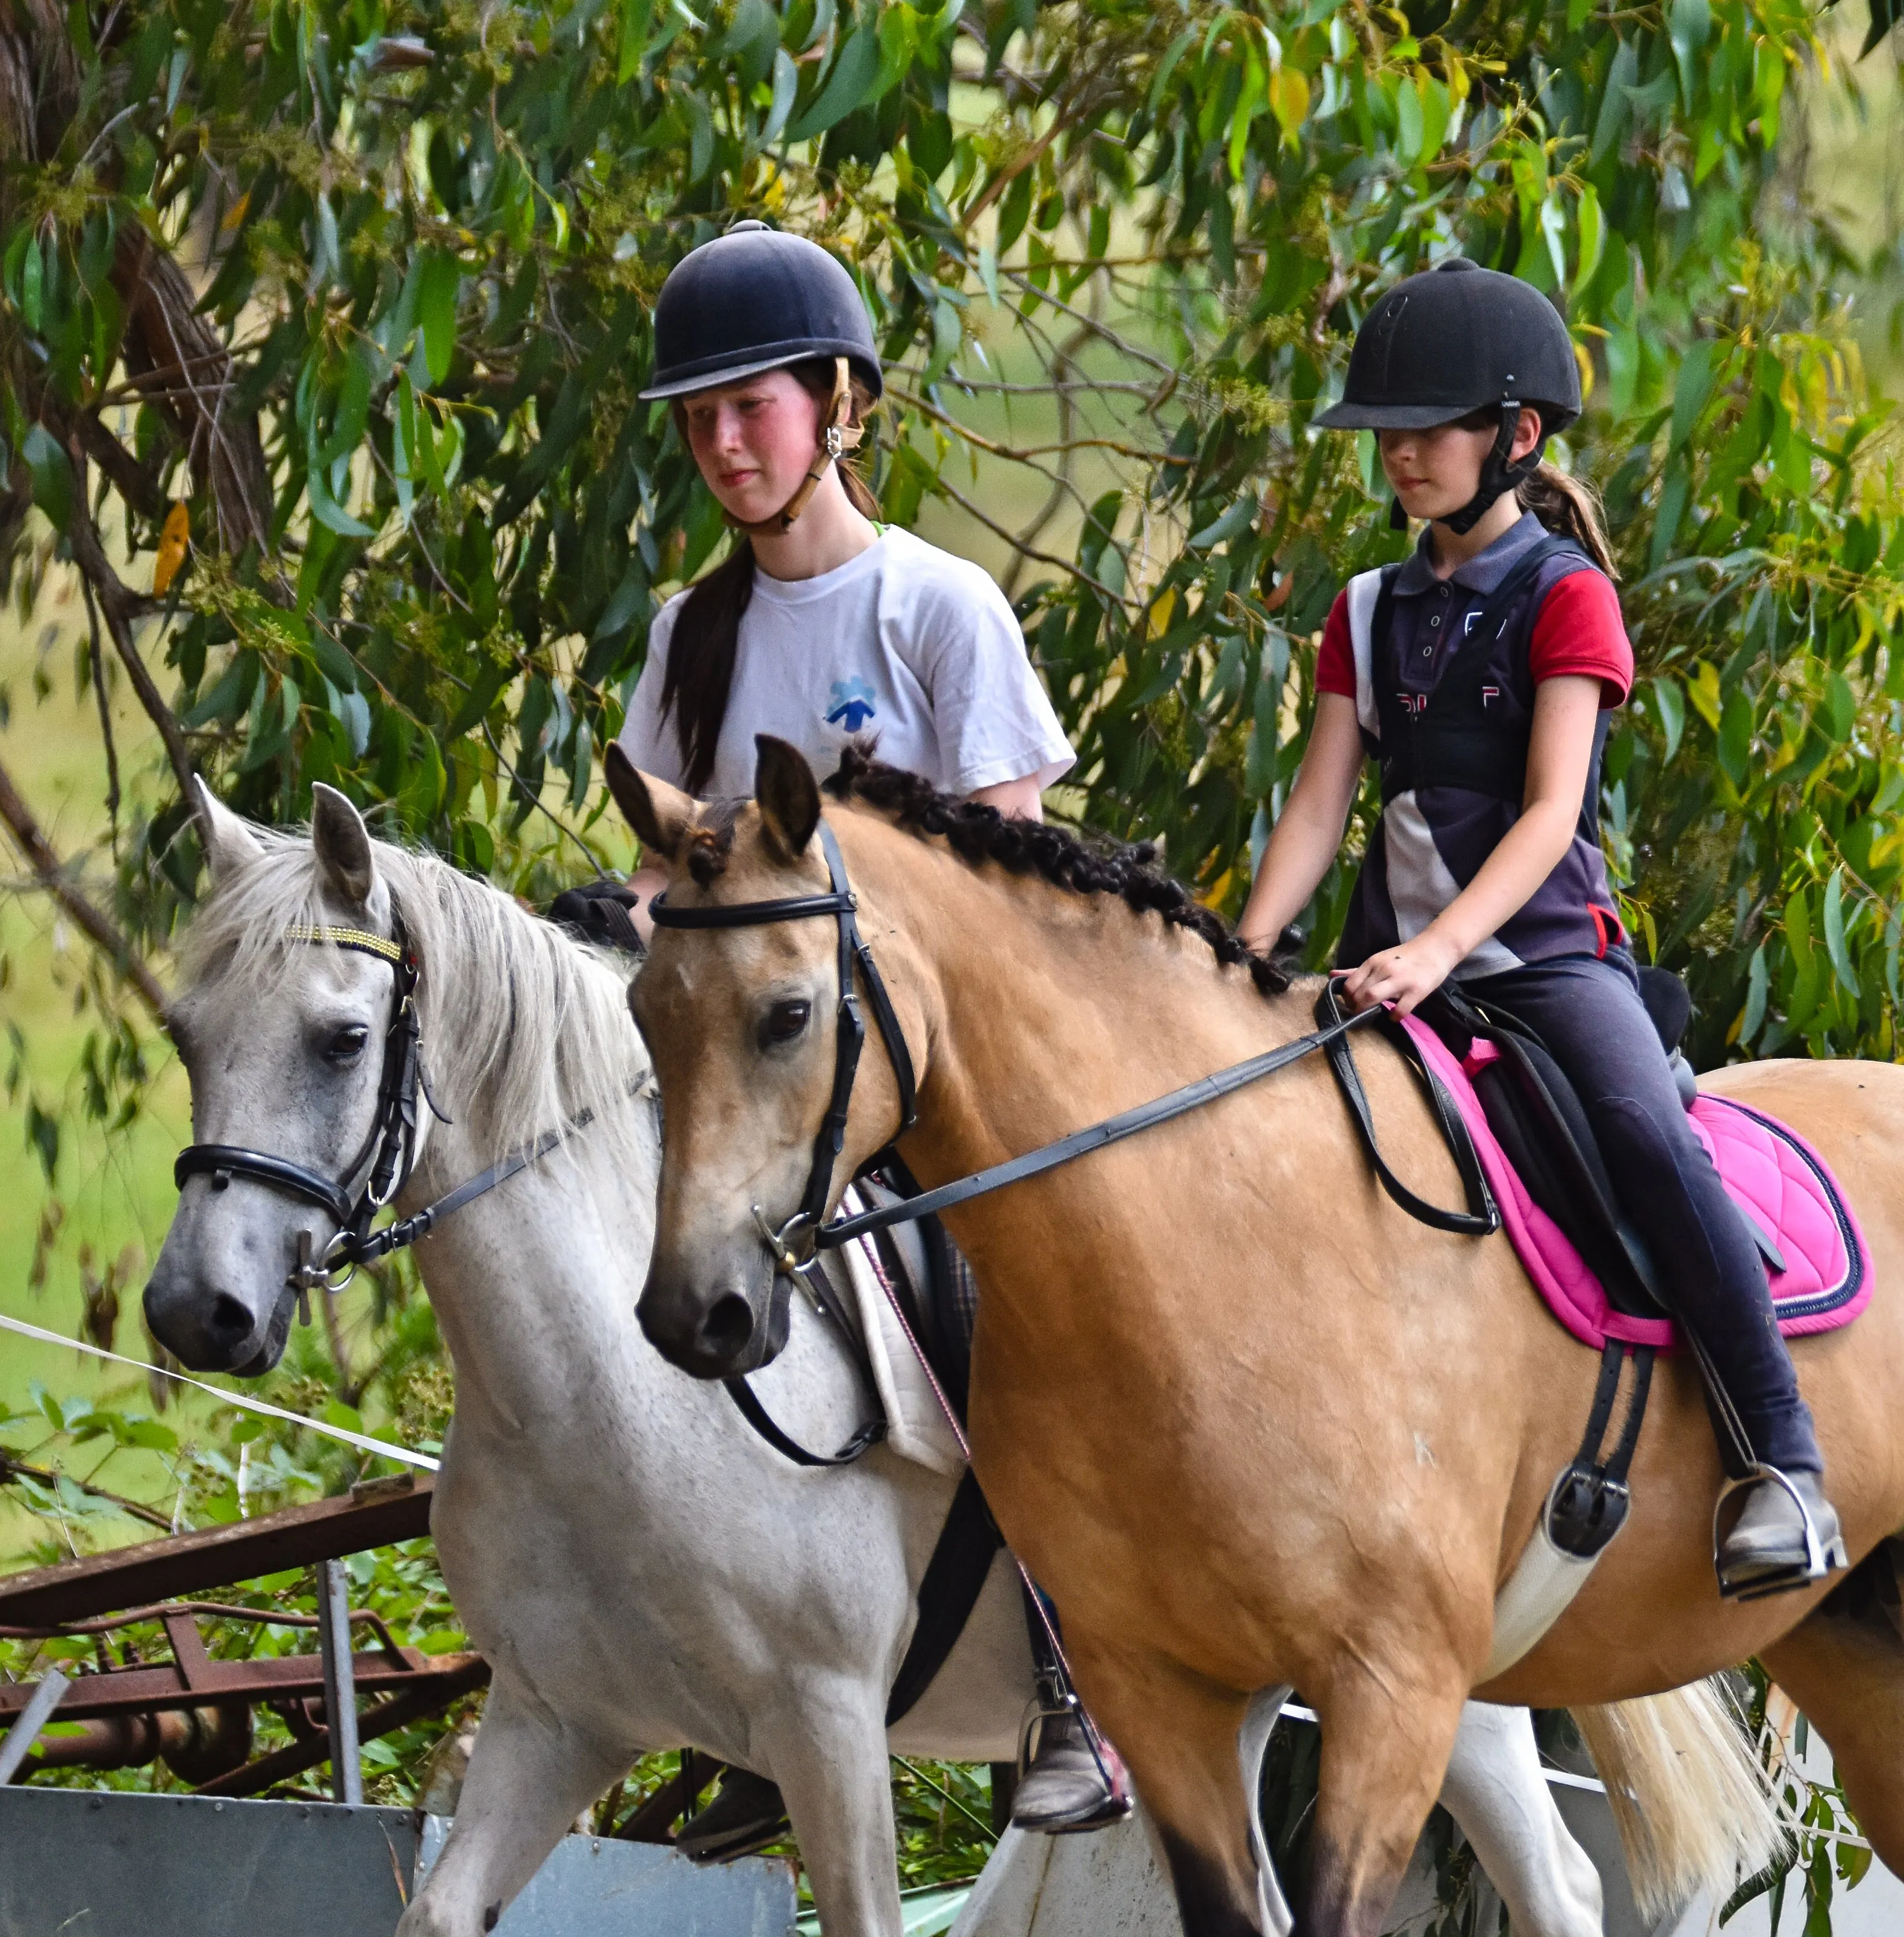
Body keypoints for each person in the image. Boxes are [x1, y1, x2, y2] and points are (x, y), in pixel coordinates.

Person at [613, 220, 1127, 1832]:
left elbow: (1015, 876)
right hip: (760, 1065)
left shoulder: (939, 608)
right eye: (698, 419)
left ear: (840, 403)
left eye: (749, 408)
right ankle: (738, 1690)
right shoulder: (690, 637)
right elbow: (663, 864)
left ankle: (1073, 1680)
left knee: (987, 1305)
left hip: (935, 1083)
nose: (721, 445)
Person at [1236, 257, 1841, 1591]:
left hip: (1537, 961)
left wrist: (1439, 953)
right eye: (1385, 435)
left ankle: (1781, 1463)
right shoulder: (1362, 608)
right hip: (1382, 968)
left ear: (1515, 436)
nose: (1400, 457)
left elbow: (1551, 810)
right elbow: (1318, 806)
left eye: (1428, 429)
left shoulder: (1567, 596)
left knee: (1642, 1133)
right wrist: (1245, 953)